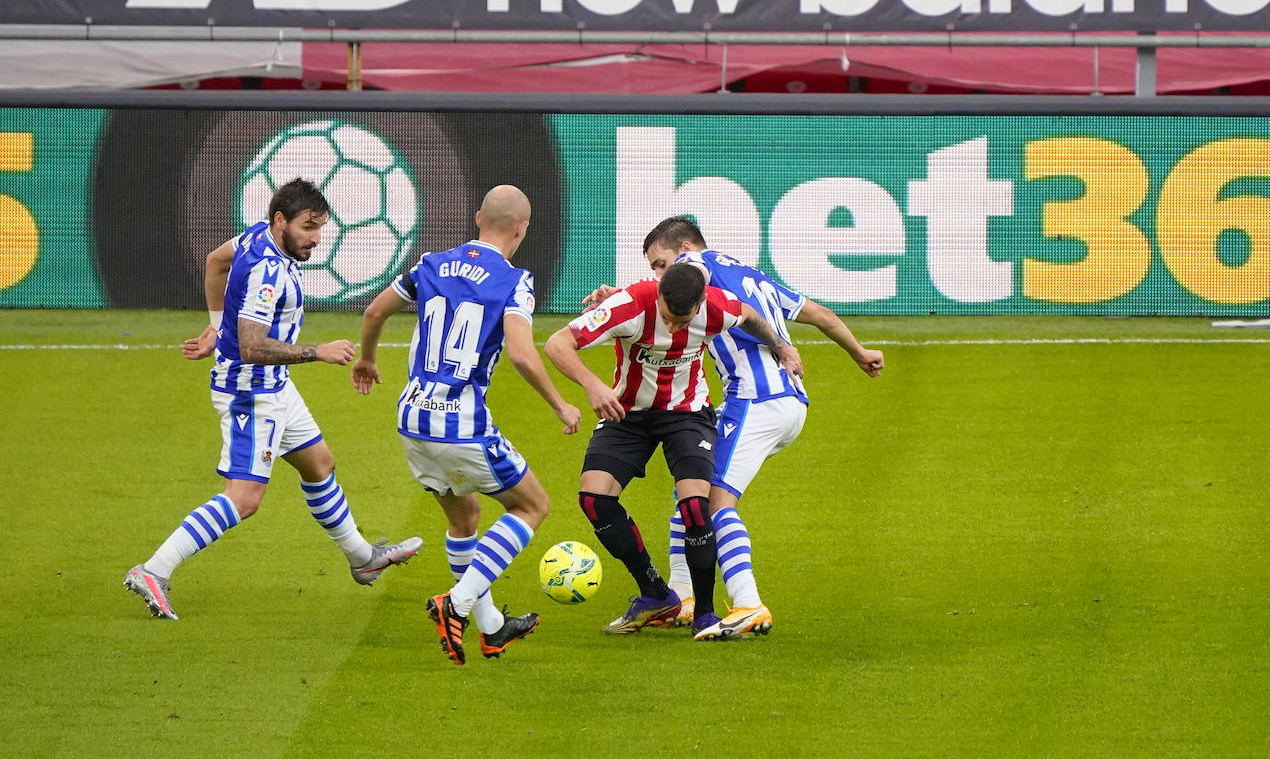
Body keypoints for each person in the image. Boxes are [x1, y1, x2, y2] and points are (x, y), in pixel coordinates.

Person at [124, 178, 422, 620]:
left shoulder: (257, 236)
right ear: (281, 220)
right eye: (308, 227)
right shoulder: (268, 270)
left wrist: (214, 325)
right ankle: (153, 570)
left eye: (321, 227)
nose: (316, 239)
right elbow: (251, 346)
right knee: (244, 500)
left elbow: (215, 262)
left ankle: (363, 558)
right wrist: (316, 352)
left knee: (319, 463)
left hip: (275, 385)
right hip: (250, 391)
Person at [585, 215, 885, 640]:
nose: (659, 274)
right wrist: (859, 351)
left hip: (754, 399)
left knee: (713, 503)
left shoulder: (699, 266)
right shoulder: (747, 274)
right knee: (690, 492)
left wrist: (623, 297)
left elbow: (678, 294)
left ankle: (747, 603)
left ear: (685, 251)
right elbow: (818, 313)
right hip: (789, 402)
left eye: (660, 264)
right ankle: (682, 598)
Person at [351, 185, 581, 666]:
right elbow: (520, 352)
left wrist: (367, 359)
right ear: (522, 227)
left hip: (411, 416)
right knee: (532, 506)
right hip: (460, 422)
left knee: (464, 518)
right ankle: (453, 603)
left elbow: (374, 311)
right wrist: (560, 404)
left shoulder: (430, 263)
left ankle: (492, 628)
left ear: (478, 217)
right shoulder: (514, 280)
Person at [545, 262, 802, 642]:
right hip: (628, 412)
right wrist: (593, 385)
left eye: (683, 322)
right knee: (594, 499)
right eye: (668, 317)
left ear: (700, 304)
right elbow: (557, 343)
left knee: (697, 505)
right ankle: (655, 593)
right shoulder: (629, 304)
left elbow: (750, 315)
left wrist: (781, 347)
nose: (673, 328)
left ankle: (704, 611)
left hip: (687, 413)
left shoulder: (716, 307)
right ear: (659, 293)